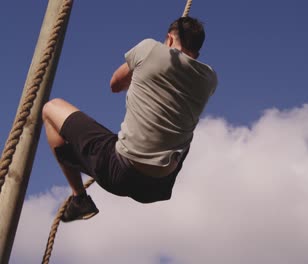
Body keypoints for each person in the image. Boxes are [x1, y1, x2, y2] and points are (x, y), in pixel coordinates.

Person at [42, 16, 217, 222]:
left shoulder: (150, 48)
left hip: (120, 171)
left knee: (50, 108)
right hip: (158, 187)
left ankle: (79, 198)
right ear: (196, 53)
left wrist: (143, 70)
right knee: (181, 129)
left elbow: (115, 84)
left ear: (169, 39)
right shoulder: (210, 79)